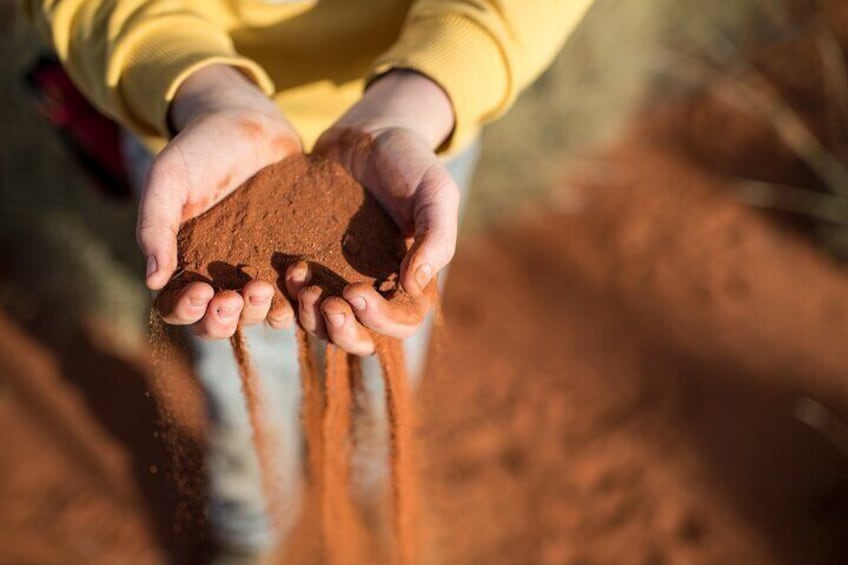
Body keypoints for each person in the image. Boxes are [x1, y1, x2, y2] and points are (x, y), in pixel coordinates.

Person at [26, 0, 593, 558]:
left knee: (388, 332)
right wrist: (204, 90)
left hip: (417, 123)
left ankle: (372, 487)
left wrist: (423, 93)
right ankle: (252, 527)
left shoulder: (417, 118)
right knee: (235, 358)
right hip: (192, 120)